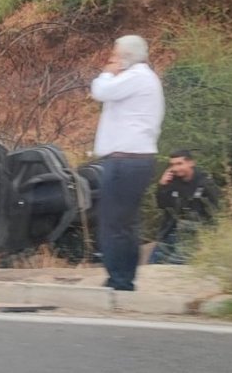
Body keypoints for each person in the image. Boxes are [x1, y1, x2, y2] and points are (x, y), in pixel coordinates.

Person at [90, 35, 164, 291]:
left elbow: (100, 91)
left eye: (116, 54)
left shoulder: (136, 77)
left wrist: (107, 72)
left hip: (126, 161)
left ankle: (119, 280)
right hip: (137, 160)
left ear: (126, 57)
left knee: (113, 222)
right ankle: (123, 277)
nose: (113, 58)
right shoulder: (145, 79)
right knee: (126, 222)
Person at [149, 150, 219, 264]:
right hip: (172, 229)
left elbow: (214, 212)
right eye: (172, 165)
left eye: (179, 164)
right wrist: (162, 186)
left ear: (191, 163)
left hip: (194, 233)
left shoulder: (205, 183)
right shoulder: (172, 182)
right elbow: (162, 205)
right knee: (152, 264)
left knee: (175, 265)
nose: (175, 168)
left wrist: (209, 237)